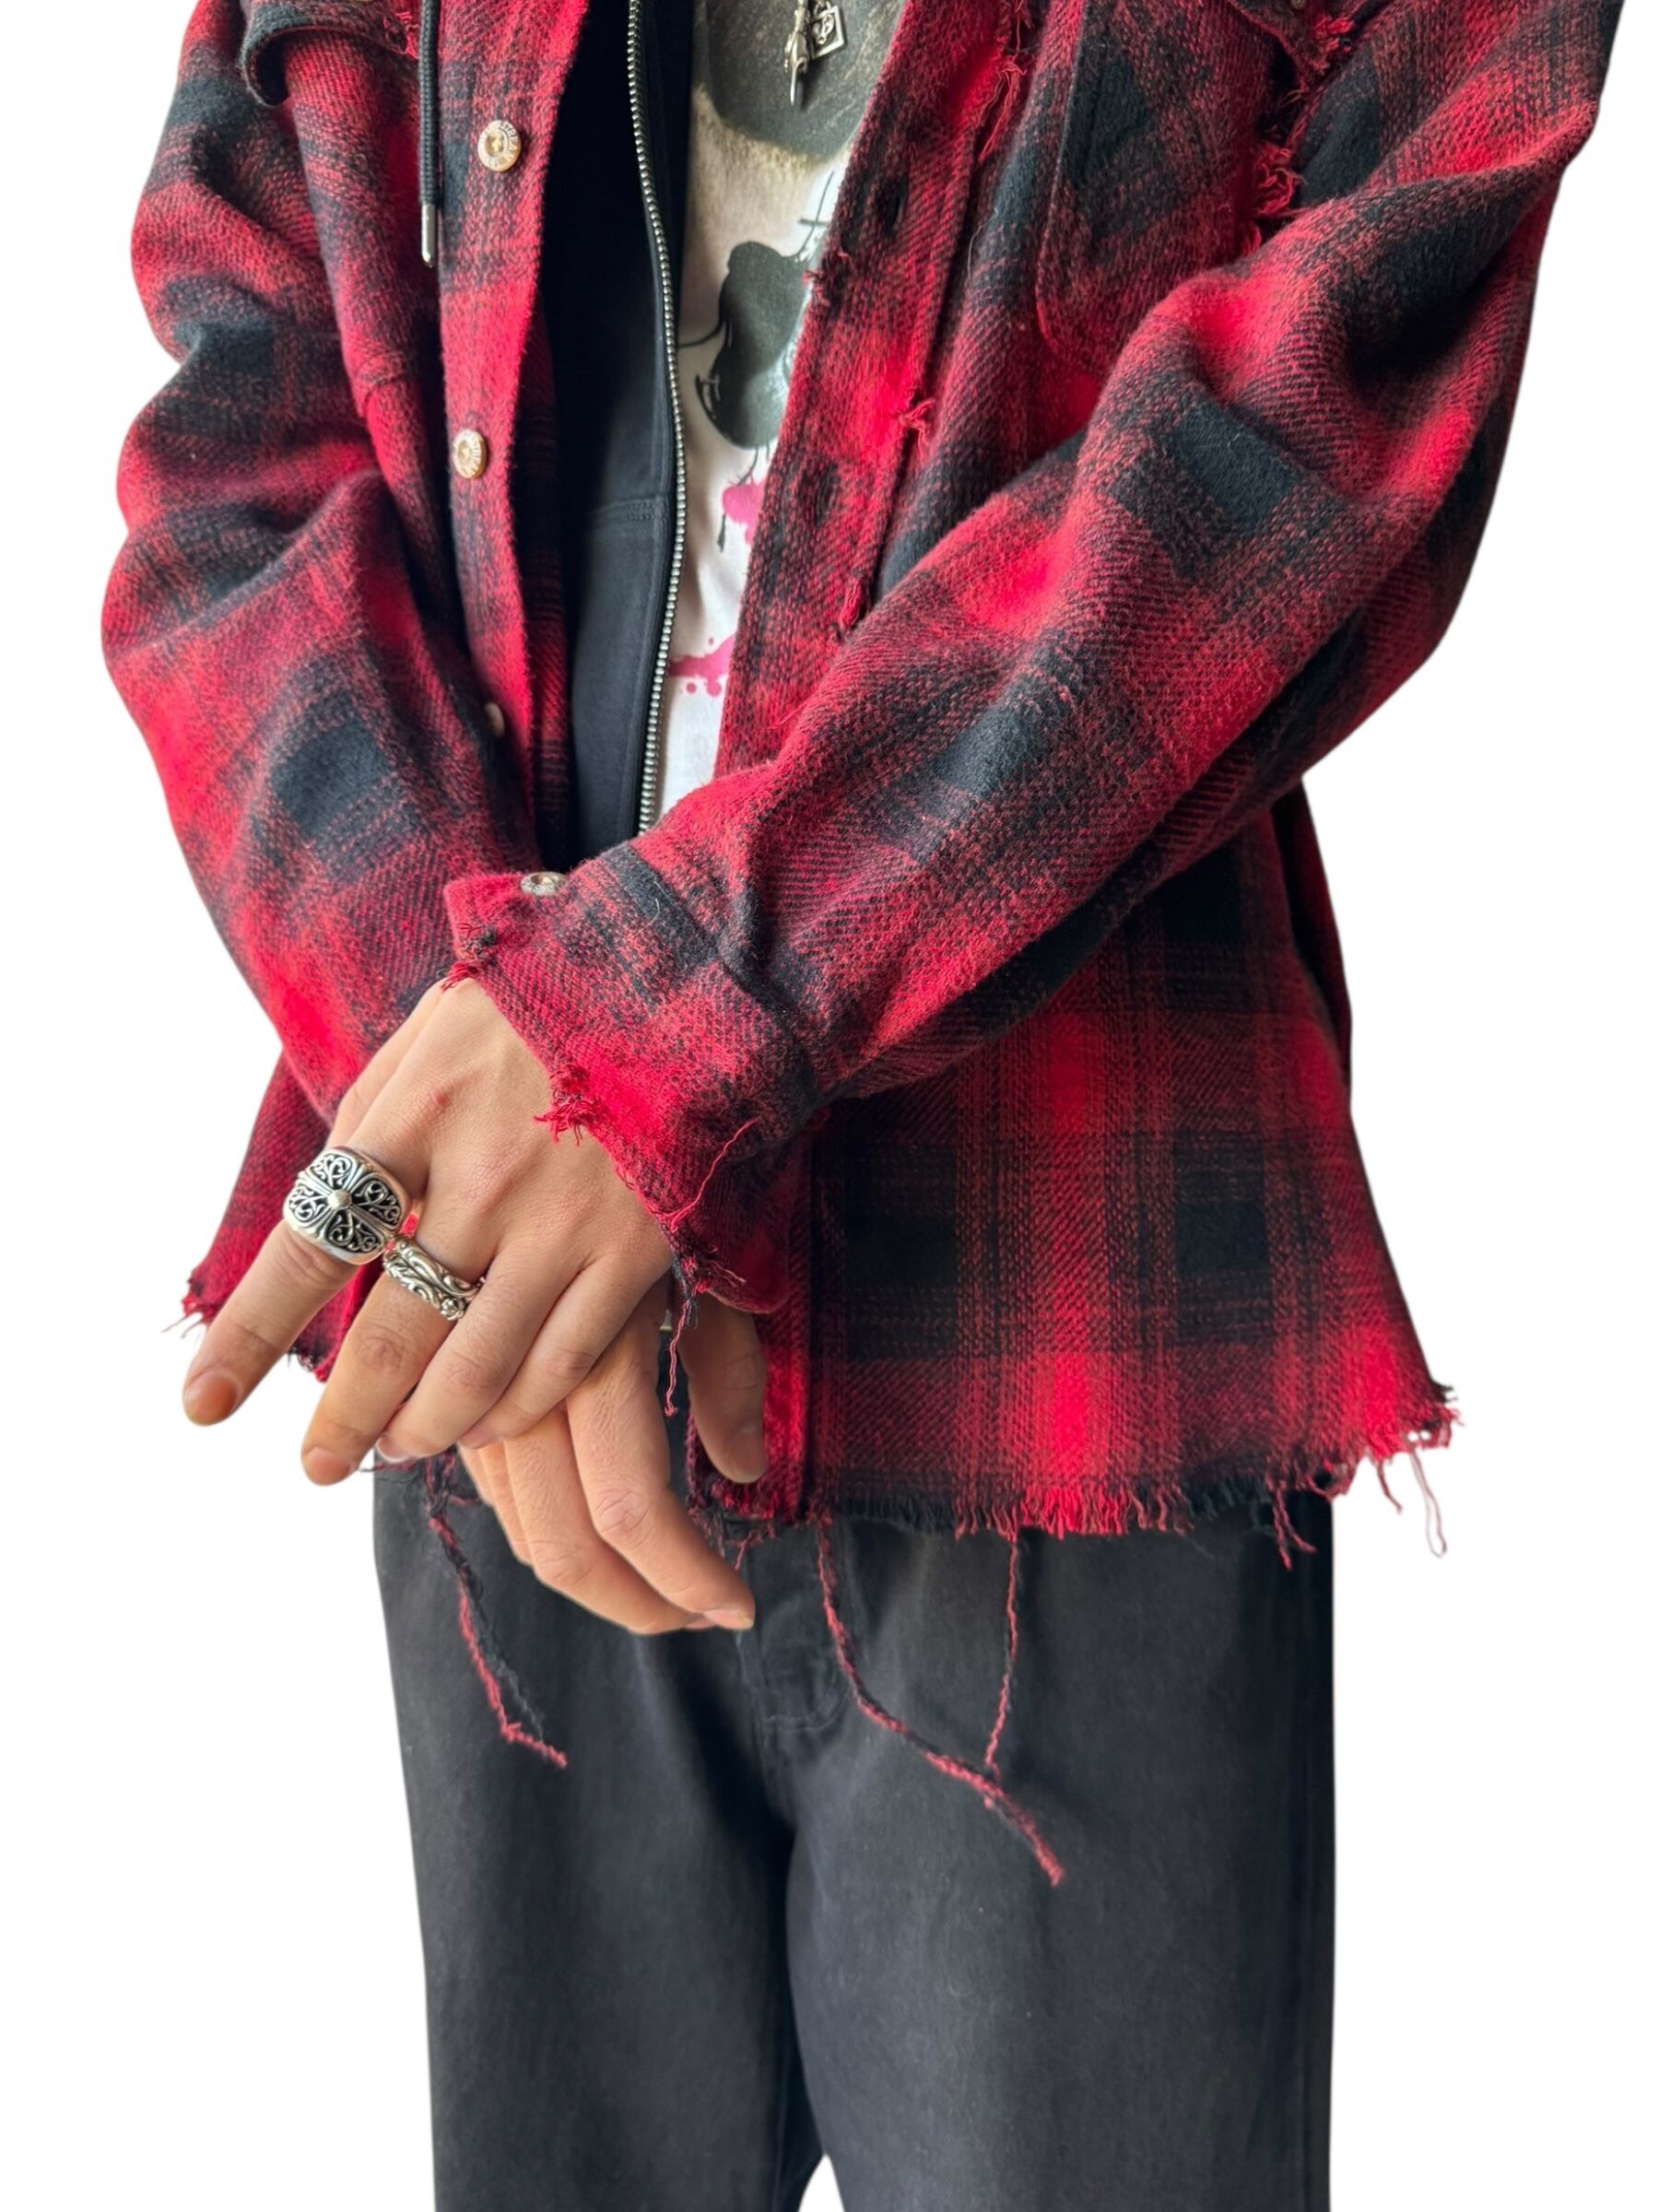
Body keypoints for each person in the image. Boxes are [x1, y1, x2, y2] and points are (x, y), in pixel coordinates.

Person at [104, 0, 1618, 2204]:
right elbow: (244, 429)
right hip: (506, 1348)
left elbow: (1325, 416)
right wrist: (463, 1081)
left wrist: (641, 1037)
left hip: (1060, 1339)